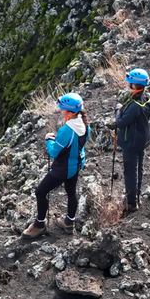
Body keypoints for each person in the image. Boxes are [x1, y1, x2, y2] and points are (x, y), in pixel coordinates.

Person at [22, 93, 90, 238]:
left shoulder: (67, 130)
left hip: (63, 168)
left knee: (40, 192)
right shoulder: (84, 124)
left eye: (62, 109)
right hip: (76, 164)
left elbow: (54, 151)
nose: (60, 110)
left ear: (70, 112)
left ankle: (39, 225)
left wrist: (48, 140)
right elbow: (78, 145)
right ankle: (69, 222)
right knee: (71, 191)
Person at [108, 68, 150, 211]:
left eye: (129, 83)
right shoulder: (148, 97)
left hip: (131, 142)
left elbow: (120, 123)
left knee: (130, 172)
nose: (127, 84)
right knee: (139, 168)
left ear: (135, 85)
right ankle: (136, 196)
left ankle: (131, 202)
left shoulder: (134, 105)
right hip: (142, 138)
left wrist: (117, 111)